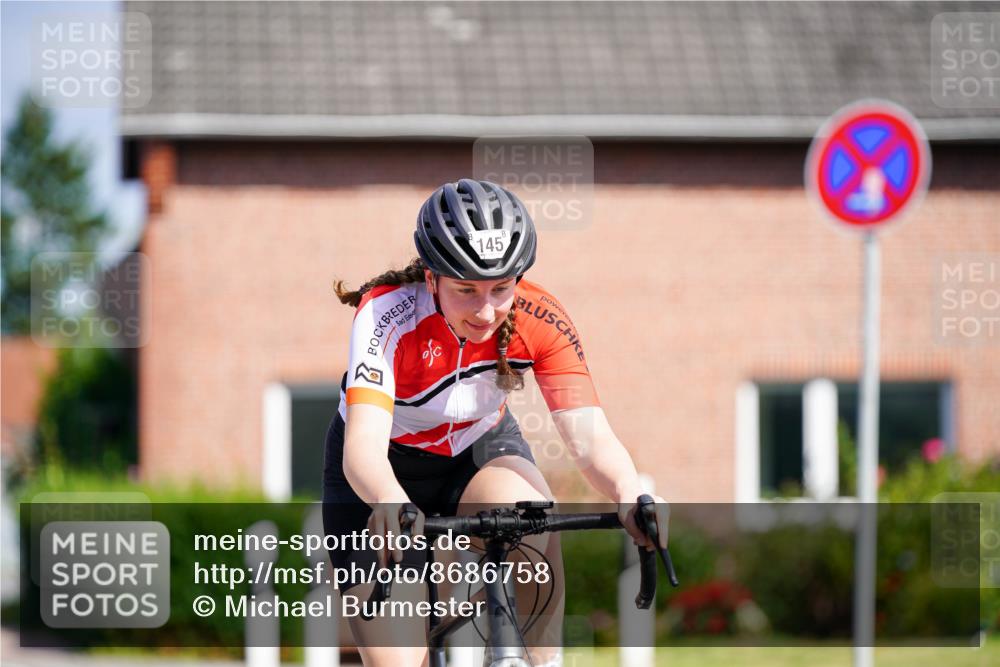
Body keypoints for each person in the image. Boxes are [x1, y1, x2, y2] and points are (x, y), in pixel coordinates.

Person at [324, 178, 669, 667]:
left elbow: (589, 437)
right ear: (431, 278)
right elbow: (363, 446)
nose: (486, 310)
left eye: (500, 288)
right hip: (382, 475)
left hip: (477, 453)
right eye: (465, 290)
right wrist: (388, 500)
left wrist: (629, 492)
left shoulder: (540, 318)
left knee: (531, 517)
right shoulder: (386, 314)